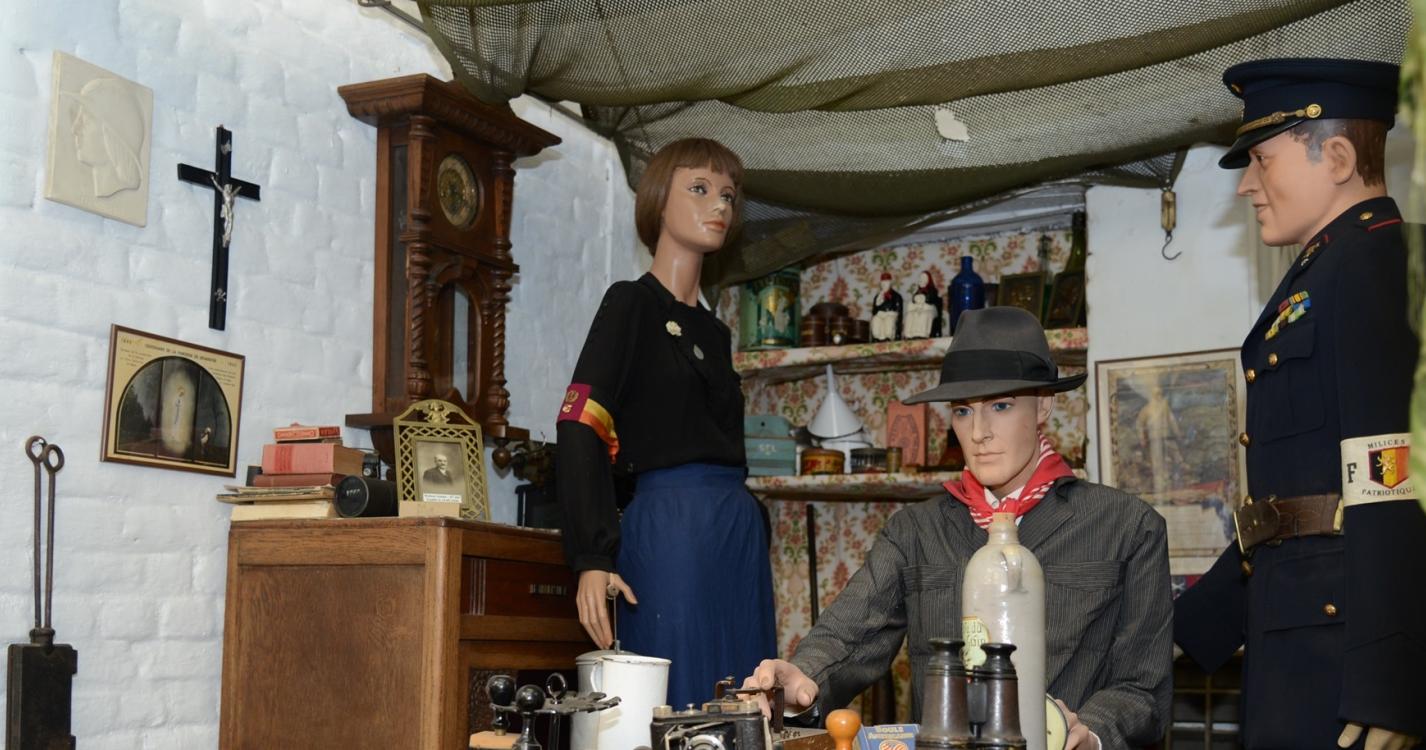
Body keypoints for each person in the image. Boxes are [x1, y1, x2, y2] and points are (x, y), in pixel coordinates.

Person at [745, 307, 1172, 750]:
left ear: (1044, 405)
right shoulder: (916, 532)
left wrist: (1090, 732)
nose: (979, 432)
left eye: (1001, 405)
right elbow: (847, 636)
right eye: (963, 411)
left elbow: (1143, 688)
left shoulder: (1127, 528)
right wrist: (799, 681)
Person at [1173, 59, 1426, 750]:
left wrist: (1392, 684)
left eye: (1262, 159)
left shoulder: (1377, 263)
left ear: (1337, 157)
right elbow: (1297, 505)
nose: (1246, 184)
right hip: (1302, 637)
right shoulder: (1326, 272)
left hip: (1347, 667)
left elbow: (1395, 476)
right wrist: (1184, 631)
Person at [556, 138, 775, 708]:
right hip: (672, 529)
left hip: (735, 532)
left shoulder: (716, 333)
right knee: (676, 699)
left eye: (728, 194)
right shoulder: (631, 305)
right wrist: (592, 555)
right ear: (658, 201)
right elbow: (579, 422)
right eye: (699, 188)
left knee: (746, 699)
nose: (719, 204)